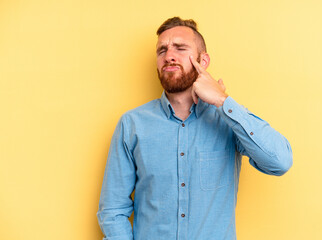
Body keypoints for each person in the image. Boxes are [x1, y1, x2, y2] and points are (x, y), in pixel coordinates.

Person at [97, 17, 293, 240]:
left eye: (180, 48)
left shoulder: (229, 121)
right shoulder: (132, 124)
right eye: (162, 50)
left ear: (204, 60)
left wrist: (222, 101)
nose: (169, 55)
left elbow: (280, 161)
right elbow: (113, 211)